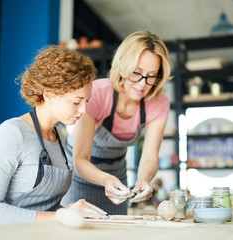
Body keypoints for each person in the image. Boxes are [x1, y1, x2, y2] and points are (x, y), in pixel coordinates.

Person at [0, 46, 107, 225]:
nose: (83, 110)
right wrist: (60, 217)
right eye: (76, 102)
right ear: (49, 95)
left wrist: (68, 211)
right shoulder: (12, 133)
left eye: (86, 101)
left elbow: (45, 210)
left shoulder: (60, 136)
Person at [61, 30, 171, 214]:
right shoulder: (96, 93)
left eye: (152, 75)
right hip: (78, 175)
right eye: (136, 73)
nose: (143, 84)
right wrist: (106, 180)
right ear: (123, 66)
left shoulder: (159, 103)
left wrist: (144, 179)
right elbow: (80, 160)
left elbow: (150, 158)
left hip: (117, 176)